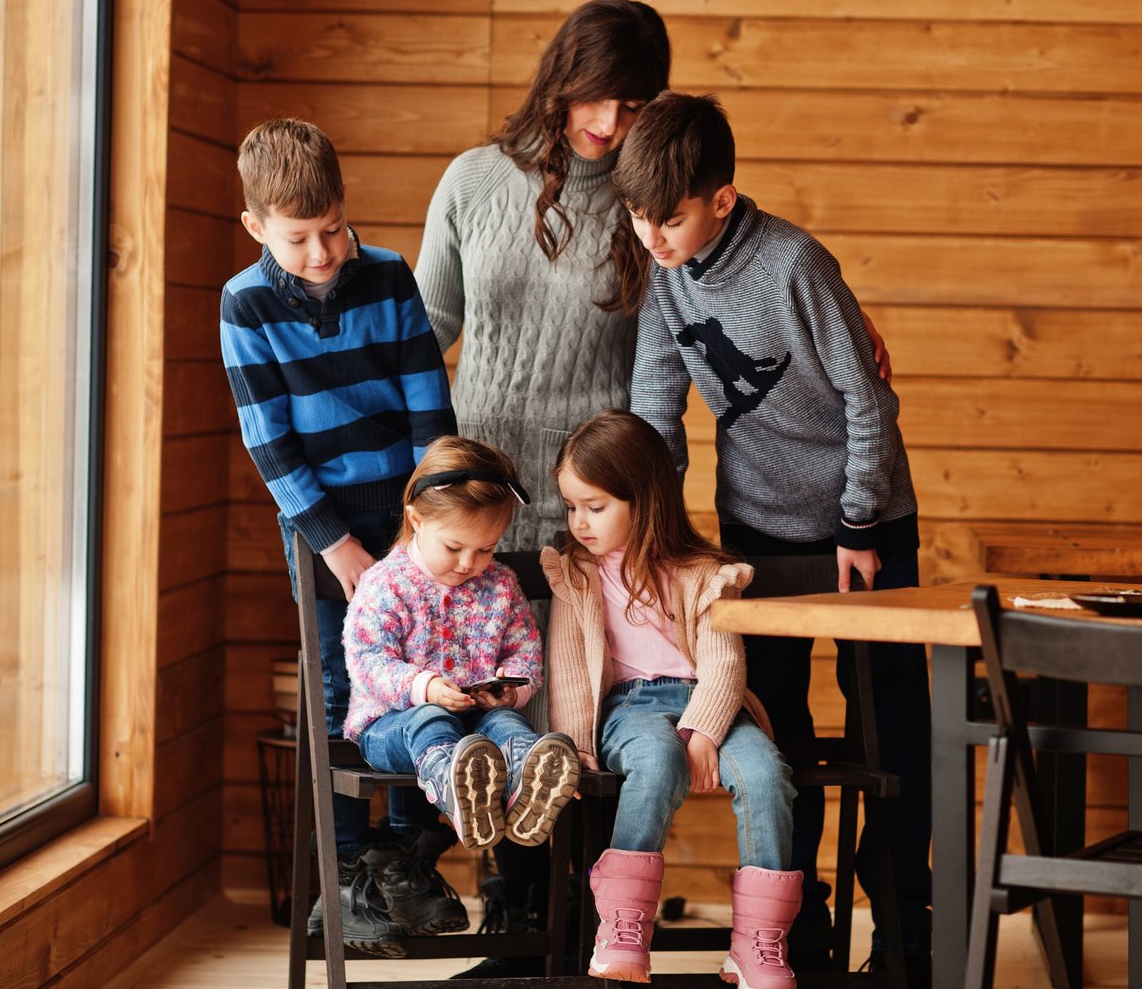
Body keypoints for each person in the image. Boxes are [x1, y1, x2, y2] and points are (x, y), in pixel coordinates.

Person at [614, 92, 931, 982]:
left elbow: (869, 399)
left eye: (668, 218)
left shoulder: (795, 263)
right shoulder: (666, 278)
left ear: (721, 199)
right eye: (640, 218)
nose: (653, 237)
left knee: (888, 733)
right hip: (756, 530)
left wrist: (859, 520)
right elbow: (655, 409)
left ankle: (908, 932)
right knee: (779, 733)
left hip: (862, 530)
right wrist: (658, 530)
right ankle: (796, 931)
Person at [413, 0, 671, 973]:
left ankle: (584, 930)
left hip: (592, 518)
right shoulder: (476, 180)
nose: (608, 122)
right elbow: (424, 326)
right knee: (497, 714)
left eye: (633, 103)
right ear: (561, 77)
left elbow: (700, 301)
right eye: (597, 95)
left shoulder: (646, 202)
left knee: (581, 722)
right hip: (479, 508)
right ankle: (516, 931)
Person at [219, 117, 458, 955]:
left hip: (408, 527)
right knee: (340, 689)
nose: (323, 253)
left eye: (333, 230)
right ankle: (349, 863)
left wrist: (419, 529)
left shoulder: (390, 279)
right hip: (323, 538)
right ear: (256, 228)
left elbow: (431, 408)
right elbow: (269, 441)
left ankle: (402, 851)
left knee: (416, 680)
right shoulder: (244, 305)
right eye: (299, 239)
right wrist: (338, 546)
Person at [542, 410, 800, 989]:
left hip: (709, 702)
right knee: (654, 763)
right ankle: (623, 927)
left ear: (645, 497)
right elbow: (570, 673)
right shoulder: (576, 575)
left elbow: (725, 663)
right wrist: (577, 747)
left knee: (766, 775)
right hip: (629, 710)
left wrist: (704, 732)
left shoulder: (703, 572)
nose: (579, 522)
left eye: (596, 506)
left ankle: (757, 945)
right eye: (572, 506)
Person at [343, 433, 583, 855]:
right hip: (391, 726)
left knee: (509, 726)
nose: (469, 563)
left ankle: (526, 781)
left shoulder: (501, 586)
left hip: (478, 726)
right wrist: (425, 687)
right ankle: (454, 784)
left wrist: (510, 689)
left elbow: (525, 651)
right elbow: (367, 659)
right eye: (454, 547)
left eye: (486, 549)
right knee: (429, 720)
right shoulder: (386, 583)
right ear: (417, 519)